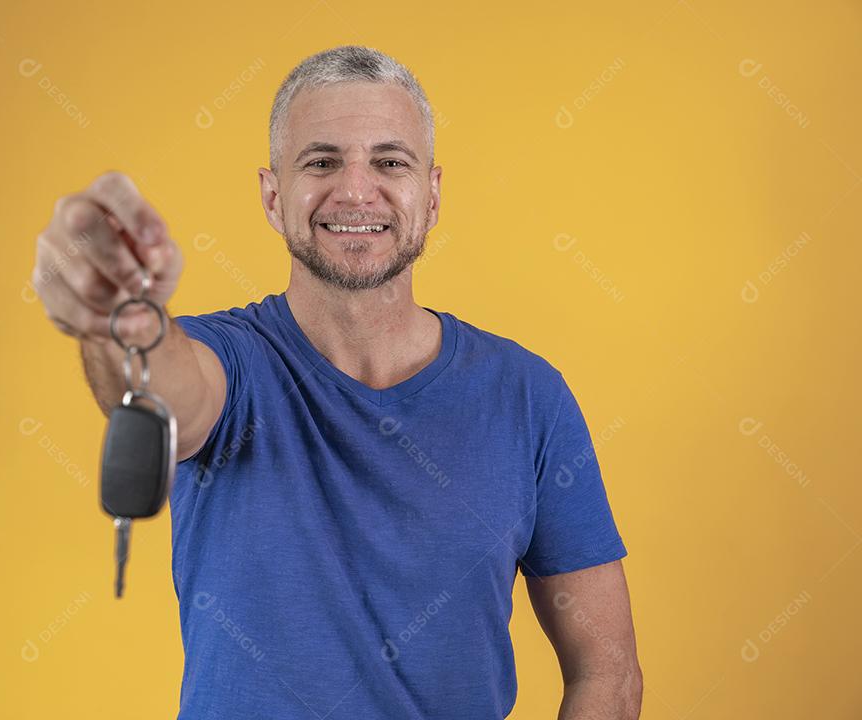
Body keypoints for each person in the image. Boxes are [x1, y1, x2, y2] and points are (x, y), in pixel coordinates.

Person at [31, 44, 642, 720]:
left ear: (431, 194)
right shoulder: (228, 360)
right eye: (322, 162)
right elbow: (160, 390)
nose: (356, 190)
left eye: (390, 162)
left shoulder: (528, 396)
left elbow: (606, 675)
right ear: (272, 195)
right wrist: (110, 314)